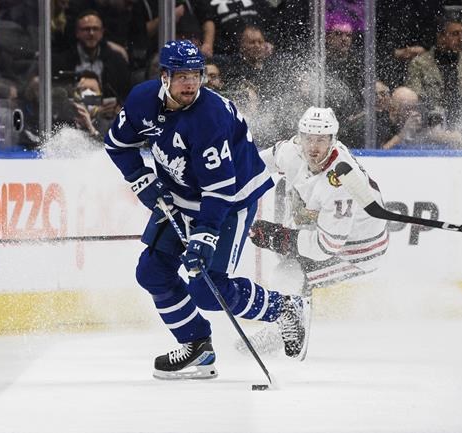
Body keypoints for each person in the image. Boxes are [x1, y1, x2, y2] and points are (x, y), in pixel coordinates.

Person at [103, 40, 308, 380]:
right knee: (152, 272)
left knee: (206, 288)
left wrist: (205, 236)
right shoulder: (142, 100)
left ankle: (285, 308)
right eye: (181, 76)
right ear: (165, 76)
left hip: (230, 199)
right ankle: (197, 346)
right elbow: (117, 145)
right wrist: (141, 179)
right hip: (181, 194)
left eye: (195, 75)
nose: (190, 84)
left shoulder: (209, 117)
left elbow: (219, 189)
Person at [239, 106, 389, 355]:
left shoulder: (340, 182)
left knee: (288, 271)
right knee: (289, 254)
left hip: (358, 250)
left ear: (333, 140)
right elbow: (254, 164)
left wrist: (279, 237)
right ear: (300, 137)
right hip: (327, 227)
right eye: (308, 138)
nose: (313, 147)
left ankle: (281, 332)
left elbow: (325, 247)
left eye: (321, 140)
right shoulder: (292, 151)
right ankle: (293, 310)